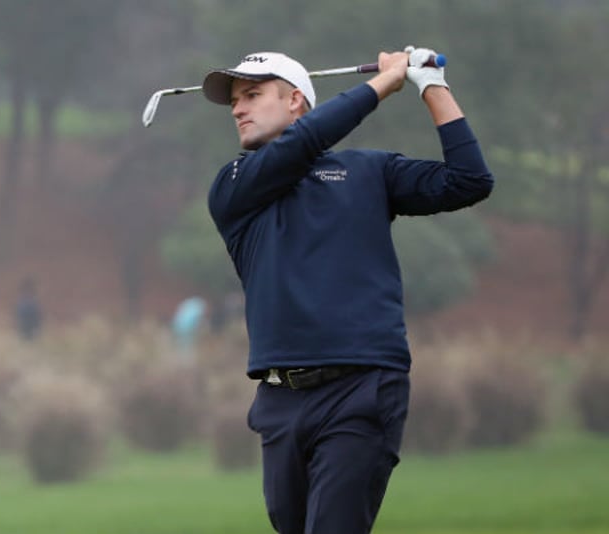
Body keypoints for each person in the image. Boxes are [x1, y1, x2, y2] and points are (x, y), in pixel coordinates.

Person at [201, 47, 493, 533]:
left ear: (295, 100)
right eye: (234, 101)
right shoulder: (234, 185)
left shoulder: (368, 172)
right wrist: (384, 83)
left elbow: (469, 180)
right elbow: (303, 142)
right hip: (279, 400)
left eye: (251, 95)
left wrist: (429, 84)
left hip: (362, 388)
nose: (237, 109)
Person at [15, 276, 43, 341]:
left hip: (31, 331)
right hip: (24, 331)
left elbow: (38, 318)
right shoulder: (22, 304)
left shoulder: (33, 304)